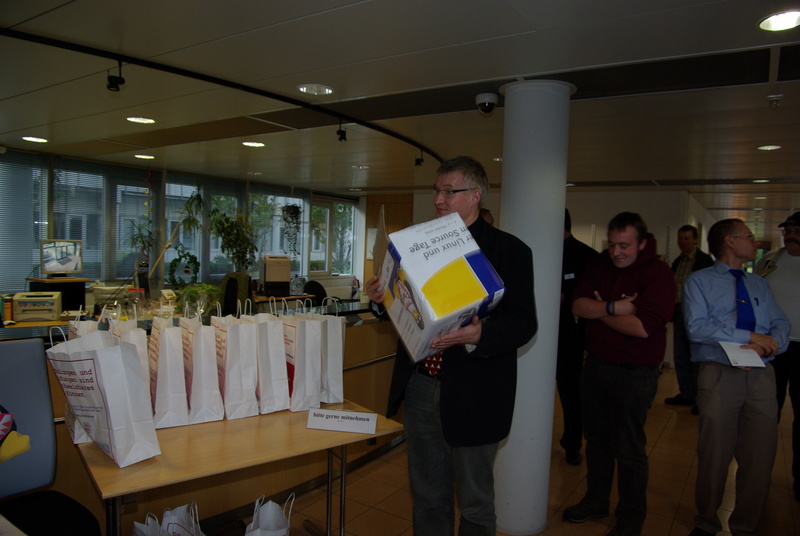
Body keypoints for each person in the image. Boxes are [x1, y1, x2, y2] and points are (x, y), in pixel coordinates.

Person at [364, 156, 537, 535]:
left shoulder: (509, 251)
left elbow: (524, 323)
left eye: (449, 191)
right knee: (427, 497)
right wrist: (381, 300)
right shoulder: (417, 244)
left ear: (475, 196)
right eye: (436, 191)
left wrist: (480, 336)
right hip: (421, 385)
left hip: (475, 393)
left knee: (474, 503)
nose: (438, 200)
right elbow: (408, 310)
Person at [564, 212, 676, 536]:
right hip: (596, 366)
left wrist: (598, 311)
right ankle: (596, 500)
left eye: (624, 245)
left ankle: (630, 519)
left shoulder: (658, 274)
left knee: (629, 449)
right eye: (612, 244)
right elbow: (577, 305)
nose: (616, 252)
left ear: (642, 243)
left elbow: (642, 327)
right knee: (597, 443)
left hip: (635, 374)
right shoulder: (600, 263)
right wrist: (614, 307)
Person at [684, 218, 789, 536]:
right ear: (730, 241)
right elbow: (697, 327)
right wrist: (748, 337)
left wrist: (769, 345)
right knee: (714, 454)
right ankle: (706, 522)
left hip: (760, 376)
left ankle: (745, 526)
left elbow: (780, 322)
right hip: (719, 374)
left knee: (760, 456)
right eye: (749, 235)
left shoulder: (759, 284)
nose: (754, 242)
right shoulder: (699, 281)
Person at [755, 211, 800, 501]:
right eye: (787, 231)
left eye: (796, 231)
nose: (790, 236)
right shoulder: (770, 261)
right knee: (766, 413)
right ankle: (759, 474)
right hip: (773, 347)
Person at [557, 208, 598, 466]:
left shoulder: (586, 256)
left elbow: (590, 298)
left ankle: (572, 443)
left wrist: (567, 296)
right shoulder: (536, 251)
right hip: (536, 336)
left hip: (570, 337)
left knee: (571, 393)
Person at [665, 225, 714, 412]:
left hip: (697, 314)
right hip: (679, 312)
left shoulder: (705, 261)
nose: (683, 242)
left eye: (686, 238)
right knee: (681, 355)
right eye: (680, 238)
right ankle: (686, 394)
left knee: (696, 357)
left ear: (695, 240)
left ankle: (700, 399)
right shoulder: (678, 262)